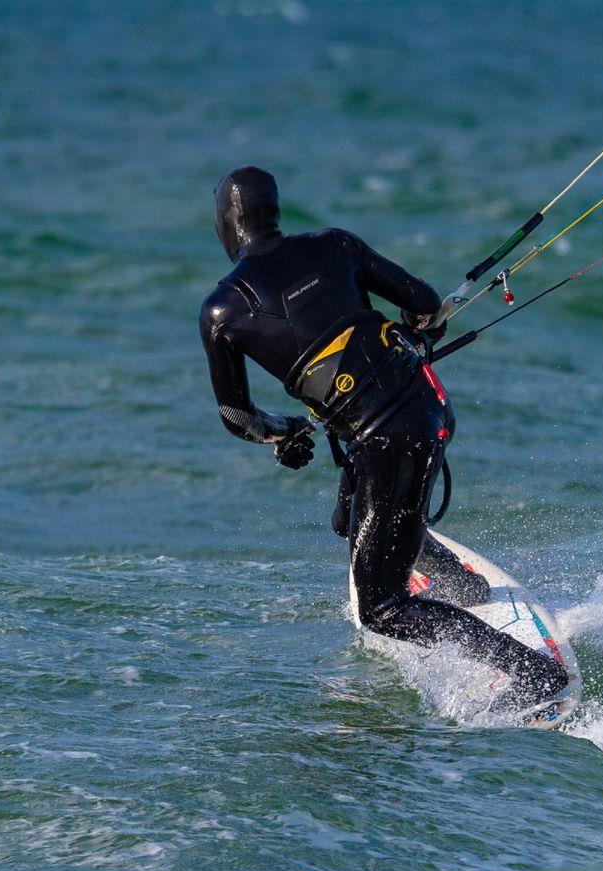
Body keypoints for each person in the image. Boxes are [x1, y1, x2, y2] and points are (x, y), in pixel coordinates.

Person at [198, 166, 567, 711]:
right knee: (350, 519)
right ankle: (459, 584)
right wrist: (419, 324)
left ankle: (534, 674)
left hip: (390, 444)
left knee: (382, 609)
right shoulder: (335, 244)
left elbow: (237, 415)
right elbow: (424, 302)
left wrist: (284, 432)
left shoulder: (222, 310)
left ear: (227, 222)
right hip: (429, 408)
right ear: (272, 211)